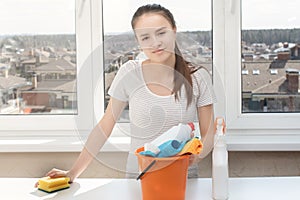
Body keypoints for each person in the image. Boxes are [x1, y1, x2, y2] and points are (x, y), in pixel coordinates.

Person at [36, 3, 216, 185]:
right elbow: (105, 126)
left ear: (174, 30)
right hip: (139, 178)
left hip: (183, 177)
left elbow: (209, 133)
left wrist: (196, 157)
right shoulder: (129, 73)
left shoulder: (198, 77)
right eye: (145, 37)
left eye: (161, 33)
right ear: (138, 42)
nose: (156, 43)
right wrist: (73, 172)